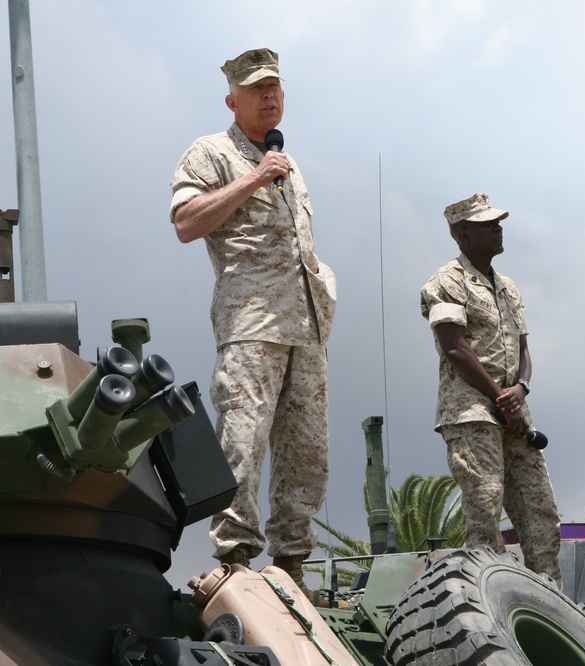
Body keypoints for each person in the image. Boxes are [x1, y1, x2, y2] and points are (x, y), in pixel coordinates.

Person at [168, 48, 337, 601]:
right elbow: (186, 223)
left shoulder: (285, 159)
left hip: (305, 330)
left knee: (307, 451)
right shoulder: (212, 152)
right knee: (243, 437)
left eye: (275, 88)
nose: (270, 96)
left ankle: (293, 563)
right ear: (232, 100)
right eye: (257, 89)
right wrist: (254, 179)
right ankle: (236, 556)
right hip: (252, 323)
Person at [419, 193, 562, 584]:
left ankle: (554, 596)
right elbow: (454, 347)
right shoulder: (445, 282)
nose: (499, 229)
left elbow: (523, 347)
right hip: (472, 413)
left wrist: (522, 389)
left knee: (541, 510)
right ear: (463, 234)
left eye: (499, 223)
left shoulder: (508, 287)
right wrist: (500, 398)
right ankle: (494, 597)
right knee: (484, 508)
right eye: (489, 224)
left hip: (515, 414)